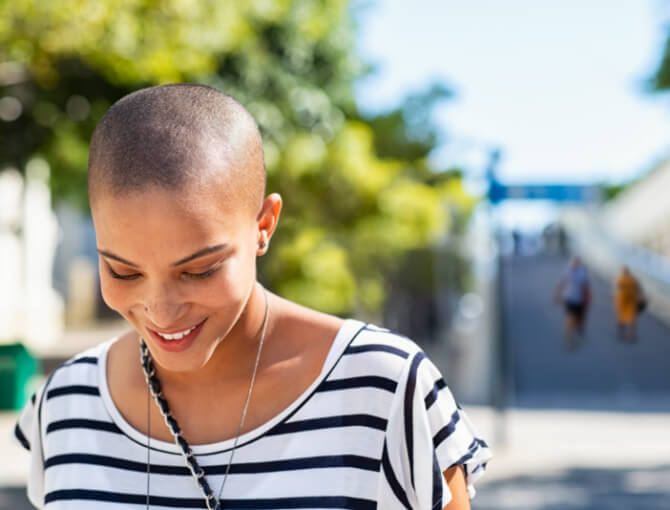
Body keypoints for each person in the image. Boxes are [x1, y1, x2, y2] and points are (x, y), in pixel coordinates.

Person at [13, 84, 491, 510]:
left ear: (264, 226)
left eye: (199, 270)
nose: (160, 309)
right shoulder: (65, 404)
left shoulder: (383, 388)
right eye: (123, 270)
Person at [554, 255, 591, 349]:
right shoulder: (567, 271)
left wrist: (588, 297)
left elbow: (586, 286)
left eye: (577, 262)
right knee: (571, 317)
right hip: (569, 298)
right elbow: (561, 283)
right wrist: (558, 295)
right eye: (574, 262)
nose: (575, 264)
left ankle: (575, 332)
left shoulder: (583, 272)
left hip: (580, 299)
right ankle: (569, 336)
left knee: (578, 319)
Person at [614, 265, 643, 343]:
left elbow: (619, 287)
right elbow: (639, 289)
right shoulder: (633, 279)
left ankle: (621, 333)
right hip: (631, 300)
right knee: (632, 319)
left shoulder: (621, 278)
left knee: (621, 317)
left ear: (624, 272)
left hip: (622, 300)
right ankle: (631, 335)